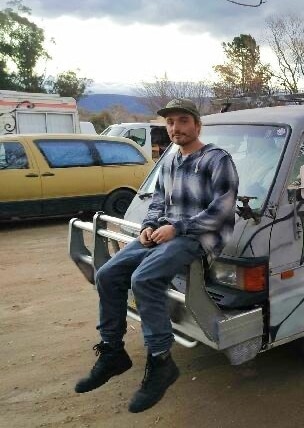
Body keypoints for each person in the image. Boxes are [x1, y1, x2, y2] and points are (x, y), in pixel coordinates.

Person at [74, 98, 239, 413]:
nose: (175, 128)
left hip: (198, 237)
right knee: (108, 274)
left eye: (182, 121)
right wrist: (148, 227)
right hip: (166, 234)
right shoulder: (170, 160)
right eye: (170, 123)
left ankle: (161, 361)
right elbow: (158, 202)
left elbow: (222, 210)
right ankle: (112, 352)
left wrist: (176, 228)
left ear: (196, 124)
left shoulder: (217, 159)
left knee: (144, 279)